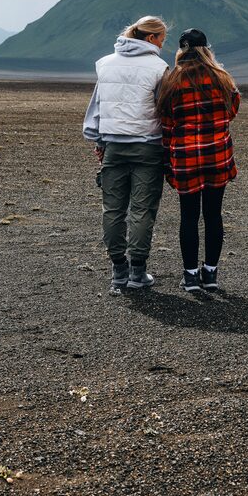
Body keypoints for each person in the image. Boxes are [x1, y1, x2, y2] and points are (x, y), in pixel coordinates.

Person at [82, 15, 170, 294]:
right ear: (151, 38)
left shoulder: (105, 64)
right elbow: (164, 110)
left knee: (113, 209)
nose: (163, 45)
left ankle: (118, 270)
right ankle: (137, 272)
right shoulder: (160, 68)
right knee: (142, 210)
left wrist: (99, 141)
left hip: (113, 147)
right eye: (161, 40)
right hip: (148, 147)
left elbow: (97, 106)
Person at [157, 28, 240, 292]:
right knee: (214, 215)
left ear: (181, 50)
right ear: (206, 49)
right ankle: (211, 273)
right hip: (217, 156)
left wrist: (166, 158)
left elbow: (167, 124)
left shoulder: (172, 81)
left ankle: (190, 276)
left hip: (186, 158)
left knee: (189, 217)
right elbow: (232, 112)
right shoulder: (223, 79)